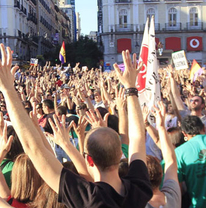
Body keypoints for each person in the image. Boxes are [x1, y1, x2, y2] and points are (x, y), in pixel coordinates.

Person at [0, 45, 152, 207]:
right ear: (120, 153)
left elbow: (34, 148)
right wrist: (130, 88)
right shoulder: (139, 188)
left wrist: (8, 89)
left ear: (89, 160)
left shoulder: (86, 197)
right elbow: (137, 137)